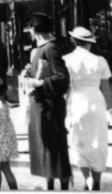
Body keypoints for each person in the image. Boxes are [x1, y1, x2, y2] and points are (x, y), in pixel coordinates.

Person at [20, 13, 71, 190]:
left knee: (54, 146)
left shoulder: (50, 49)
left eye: (30, 30)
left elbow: (62, 78)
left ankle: (60, 185)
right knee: (47, 145)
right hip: (42, 105)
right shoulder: (43, 48)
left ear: (34, 30)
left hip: (49, 106)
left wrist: (40, 82)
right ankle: (50, 183)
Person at [63, 26, 112, 191]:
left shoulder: (66, 60)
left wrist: (64, 110)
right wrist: (111, 110)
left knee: (79, 141)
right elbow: (106, 88)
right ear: (89, 44)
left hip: (77, 101)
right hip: (96, 102)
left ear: (74, 41)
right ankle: (97, 178)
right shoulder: (100, 60)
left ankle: (87, 179)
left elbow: (67, 88)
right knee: (98, 141)